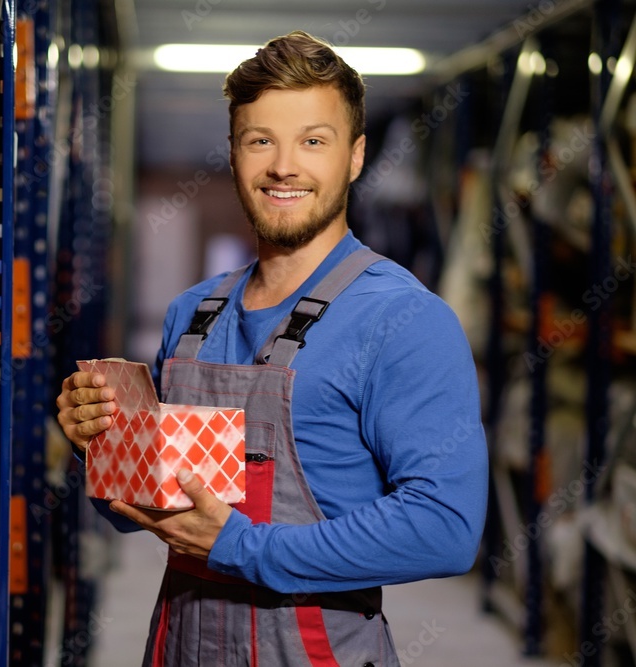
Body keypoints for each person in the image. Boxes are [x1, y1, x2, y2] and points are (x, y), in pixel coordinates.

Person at [56, 30, 488, 667]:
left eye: (314, 141)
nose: (284, 166)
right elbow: (147, 511)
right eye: (260, 140)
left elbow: (445, 529)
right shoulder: (194, 315)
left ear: (355, 156)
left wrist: (245, 548)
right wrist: (100, 448)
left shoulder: (404, 320)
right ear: (233, 153)